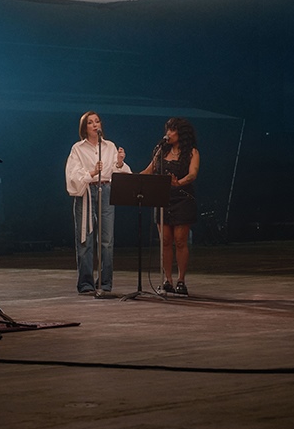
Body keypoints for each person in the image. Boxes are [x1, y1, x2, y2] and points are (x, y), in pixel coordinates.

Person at [65, 111, 131, 294]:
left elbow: (116, 171)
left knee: (107, 239)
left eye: (97, 121)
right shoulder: (77, 148)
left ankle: (105, 282)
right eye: (90, 122)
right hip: (86, 192)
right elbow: (73, 174)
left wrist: (119, 163)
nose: (95, 125)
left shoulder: (109, 146)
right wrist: (92, 173)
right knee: (85, 239)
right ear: (84, 127)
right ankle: (85, 283)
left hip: (106, 190)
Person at [141, 117, 200, 296]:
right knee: (165, 241)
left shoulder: (191, 152)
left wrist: (178, 183)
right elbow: (149, 170)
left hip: (182, 198)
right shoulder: (161, 150)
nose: (168, 133)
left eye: (172, 130)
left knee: (180, 240)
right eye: (167, 129)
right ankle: (167, 280)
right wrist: (126, 175)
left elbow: (193, 174)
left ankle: (181, 280)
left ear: (181, 133)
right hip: (162, 199)